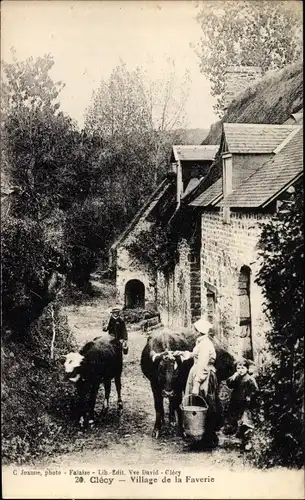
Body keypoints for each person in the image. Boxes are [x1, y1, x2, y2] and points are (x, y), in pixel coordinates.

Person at [174, 318, 220, 448]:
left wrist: (197, 384)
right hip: (198, 373)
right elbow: (196, 355)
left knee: (203, 404)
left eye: (195, 330)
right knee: (200, 404)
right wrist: (183, 353)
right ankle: (201, 438)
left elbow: (203, 366)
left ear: (199, 331)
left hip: (203, 377)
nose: (193, 332)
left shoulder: (205, 344)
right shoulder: (202, 342)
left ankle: (206, 439)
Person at [224, 358, 258, 451]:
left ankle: (248, 442)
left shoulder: (249, 379)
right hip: (236, 402)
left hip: (246, 404)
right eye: (238, 368)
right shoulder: (237, 377)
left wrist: (250, 397)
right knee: (237, 421)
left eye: (243, 368)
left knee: (246, 422)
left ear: (247, 369)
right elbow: (229, 384)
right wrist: (233, 376)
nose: (240, 370)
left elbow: (255, 390)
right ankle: (241, 440)